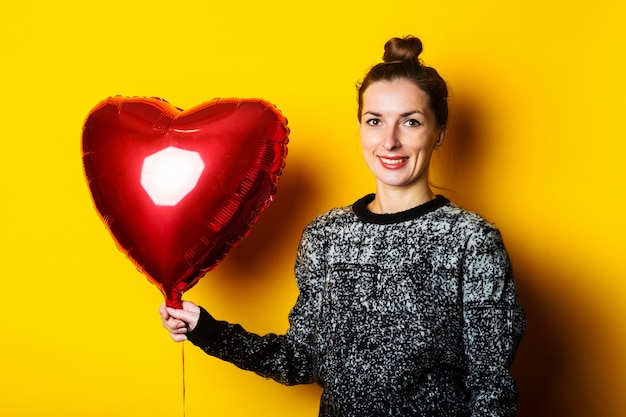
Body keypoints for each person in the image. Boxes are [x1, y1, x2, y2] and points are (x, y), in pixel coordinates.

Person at [160, 35, 526, 417]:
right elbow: (301, 360)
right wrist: (207, 330)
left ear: (438, 132)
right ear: (361, 128)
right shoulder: (326, 236)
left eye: (411, 122)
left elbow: (491, 392)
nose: (390, 141)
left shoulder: (471, 242)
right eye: (375, 121)